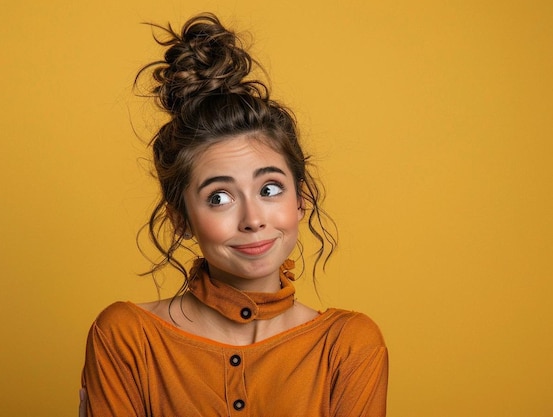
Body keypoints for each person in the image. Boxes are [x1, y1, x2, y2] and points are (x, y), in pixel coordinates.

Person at [80, 12, 388, 417]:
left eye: (270, 189)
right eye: (219, 197)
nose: (252, 218)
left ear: (301, 198)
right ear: (180, 218)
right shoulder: (127, 337)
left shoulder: (349, 345)